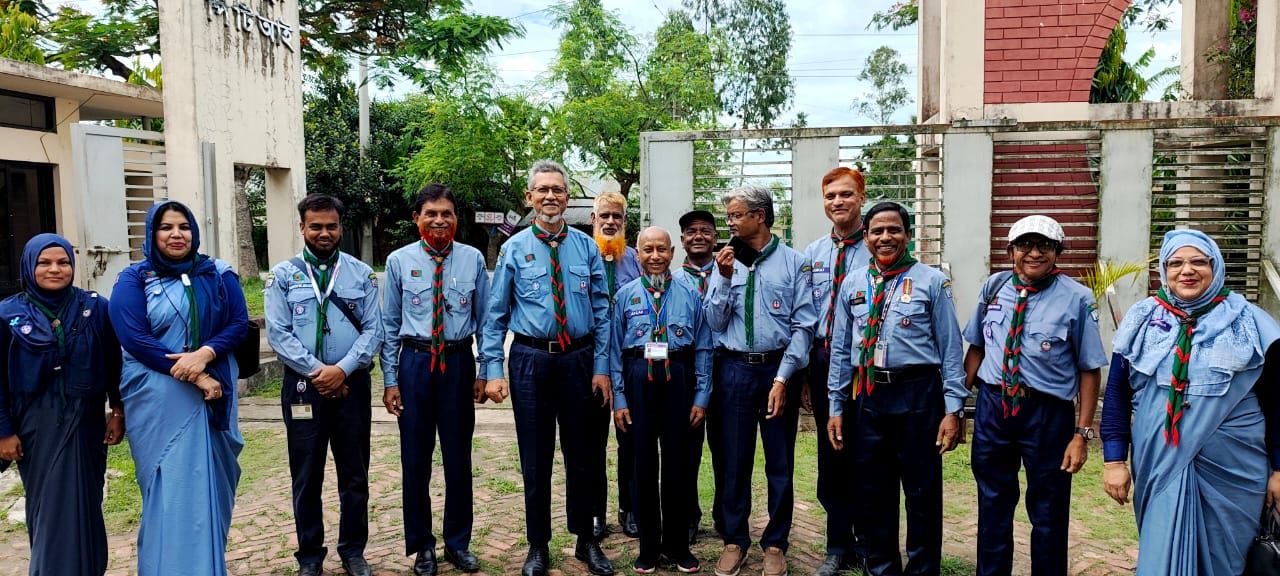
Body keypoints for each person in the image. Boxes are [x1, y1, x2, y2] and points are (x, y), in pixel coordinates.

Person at [1101, 229, 1280, 575]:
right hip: (1161, 464)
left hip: (1235, 472)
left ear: (1217, 268)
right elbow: (1118, 394)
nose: (1187, 270)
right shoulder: (1142, 321)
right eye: (1176, 263)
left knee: (1229, 560)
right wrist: (1113, 460)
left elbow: (1276, 402)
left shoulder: (1250, 323)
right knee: (1161, 555)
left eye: (1199, 262)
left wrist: (1279, 469)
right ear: (1164, 272)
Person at [482, 160, 616, 576]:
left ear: (567, 196)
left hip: (579, 360)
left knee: (584, 455)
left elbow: (602, 310)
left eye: (558, 189)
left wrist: (601, 366)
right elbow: (495, 315)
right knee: (535, 458)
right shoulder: (513, 249)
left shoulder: (586, 246)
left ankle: (585, 541)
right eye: (542, 190)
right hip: (530, 360)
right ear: (529, 197)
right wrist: (492, 369)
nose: (551, 197)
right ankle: (537, 544)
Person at [108, 201, 250, 576]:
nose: (176, 234)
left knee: (210, 493)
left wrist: (205, 355)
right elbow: (135, 339)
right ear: (152, 233)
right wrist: (193, 373)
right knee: (169, 491)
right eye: (166, 227)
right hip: (157, 398)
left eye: (184, 226)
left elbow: (238, 323)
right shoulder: (134, 279)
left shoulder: (218, 273)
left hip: (214, 393)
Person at [825, 201, 966, 576]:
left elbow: (951, 350)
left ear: (907, 234)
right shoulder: (853, 283)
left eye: (894, 230)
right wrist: (836, 406)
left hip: (918, 395)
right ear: (866, 237)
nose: (885, 238)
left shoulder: (932, 282)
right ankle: (882, 568)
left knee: (922, 493)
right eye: (877, 231)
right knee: (874, 493)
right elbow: (840, 349)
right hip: (869, 397)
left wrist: (953, 410)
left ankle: (922, 570)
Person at [962, 215, 1107, 575]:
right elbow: (976, 348)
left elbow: (1089, 369)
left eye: (1044, 246)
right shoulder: (993, 287)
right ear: (1010, 250)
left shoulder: (1078, 298)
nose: (1034, 253)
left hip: (1047, 414)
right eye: (1025, 245)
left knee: (1048, 509)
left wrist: (1081, 433)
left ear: (1058, 252)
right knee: (993, 502)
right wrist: (953, 406)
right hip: (994, 407)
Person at [264, 194, 382, 576]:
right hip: (303, 386)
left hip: (351, 386)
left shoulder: (360, 274)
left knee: (354, 473)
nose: (324, 233)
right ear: (302, 227)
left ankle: (353, 551)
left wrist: (343, 370)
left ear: (341, 227)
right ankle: (310, 556)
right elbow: (279, 334)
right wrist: (320, 372)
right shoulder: (282, 276)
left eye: (331, 226)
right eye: (315, 226)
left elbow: (373, 330)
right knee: (306, 474)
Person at [705, 185, 816, 576]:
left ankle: (775, 543)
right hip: (734, 370)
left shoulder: (795, 263)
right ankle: (735, 540)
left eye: (736, 215)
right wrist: (721, 278)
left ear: (761, 216)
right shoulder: (726, 261)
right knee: (734, 461)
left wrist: (784, 379)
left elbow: (804, 326)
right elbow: (715, 323)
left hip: (776, 370)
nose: (730, 222)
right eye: (729, 216)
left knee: (779, 463)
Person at [0, 233, 124, 575]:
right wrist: (3, 432)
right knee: (50, 509)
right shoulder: (7, 314)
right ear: (29, 266)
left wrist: (118, 409)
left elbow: (114, 364)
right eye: (45, 263)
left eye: (64, 262)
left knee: (86, 505)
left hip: (86, 423)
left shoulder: (96, 308)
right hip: (36, 427)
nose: (55, 269)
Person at [380, 184, 488, 575]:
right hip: (414, 364)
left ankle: (458, 544)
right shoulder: (398, 261)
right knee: (415, 459)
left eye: (447, 213)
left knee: (458, 458)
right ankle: (422, 546)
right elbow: (390, 325)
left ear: (456, 219)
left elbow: (486, 321)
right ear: (417, 218)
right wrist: (390, 380)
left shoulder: (473, 260)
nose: (439, 220)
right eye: (431, 213)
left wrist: (486, 371)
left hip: (458, 364)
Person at [610, 226, 711, 574]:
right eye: (648, 250)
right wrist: (619, 399)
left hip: (678, 379)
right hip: (638, 377)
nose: (655, 256)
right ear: (637, 254)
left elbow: (704, 348)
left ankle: (678, 545)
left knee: (678, 465)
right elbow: (613, 351)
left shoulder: (690, 293)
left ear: (672, 252)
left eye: (662, 250)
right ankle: (649, 548)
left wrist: (701, 395)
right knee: (641, 465)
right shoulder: (625, 295)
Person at [800, 167, 871, 576]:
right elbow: (804, 317)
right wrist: (807, 376)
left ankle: (868, 542)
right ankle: (837, 543)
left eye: (846, 194)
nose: (838, 202)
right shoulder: (812, 254)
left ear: (861, 197)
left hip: (866, 365)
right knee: (833, 454)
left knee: (869, 455)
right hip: (824, 360)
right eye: (830, 197)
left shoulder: (878, 249)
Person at [591, 191, 642, 540]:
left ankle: (630, 508)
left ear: (625, 222)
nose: (610, 222)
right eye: (604, 216)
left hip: (628, 363)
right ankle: (595, 512)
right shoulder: (582, 256)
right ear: (593, 219)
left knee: (632, 440)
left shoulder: (637, 260)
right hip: (591, 363)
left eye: (617, 217)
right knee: (591, 442)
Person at [674, 209, 718, 545]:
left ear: (716, 237)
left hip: (728, 369)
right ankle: (687, 516)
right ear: (683, 240)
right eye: (691, 231)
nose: (698, 236)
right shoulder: (673, 281)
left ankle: (727, 518)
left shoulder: (732, 272)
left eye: (705, 230)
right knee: (686, 451)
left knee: (729, 451)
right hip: (687, 374)